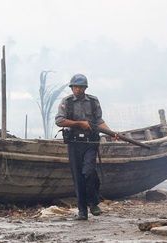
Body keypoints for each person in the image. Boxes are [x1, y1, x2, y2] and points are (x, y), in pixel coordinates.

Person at [55, 74, 113, 220]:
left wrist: (111, 133)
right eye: (75, 87)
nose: (78, 90)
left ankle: (93, 202)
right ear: (72, 88)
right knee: (78, 178)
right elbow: (59, 121)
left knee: (89, 171)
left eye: (80, 87)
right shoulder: (66, 102)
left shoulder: (93, 102)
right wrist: (79, 124)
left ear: (85, 88)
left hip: (90, 143)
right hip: (74, 144)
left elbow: (99, 121)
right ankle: (82, 212)